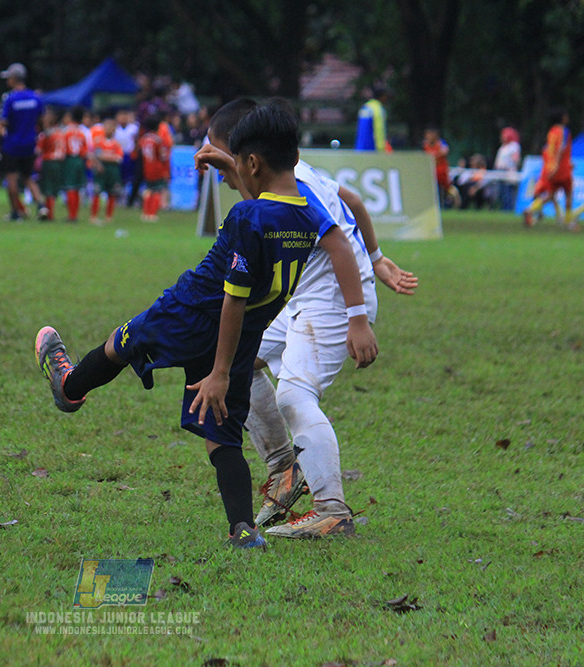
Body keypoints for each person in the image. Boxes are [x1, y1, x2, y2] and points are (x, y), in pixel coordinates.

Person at [34, 103, 377, 549]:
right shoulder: (309, 211)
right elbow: (307, 224)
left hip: (189, 311)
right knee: (223, 436)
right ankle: (243, 530)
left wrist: (215, 373)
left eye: (238, 166)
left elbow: (232, 297)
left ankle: (70, 385)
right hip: (241, 340)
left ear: (251, 163)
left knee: (122, 344)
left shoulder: (244, 218)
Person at [196, 98, 416, 538]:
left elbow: (335, 243)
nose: (225, 172)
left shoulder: (294, 183)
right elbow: (350, 199)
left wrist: (357, 318)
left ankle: (332, 510)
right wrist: (377, 256)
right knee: (242, 356)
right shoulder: (292, 171)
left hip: (335, 298)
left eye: (230, 159)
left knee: (294, 397)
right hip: (311, 296)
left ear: (250, 157)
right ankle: (284, 467)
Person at [0, 63, 47, 220]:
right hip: (29, 144)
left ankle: (16, 212)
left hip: (12, 144)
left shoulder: (10, 98)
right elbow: (41, 120)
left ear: (13, 79)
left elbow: (5, 121)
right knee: (28, 177)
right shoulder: (35, 98)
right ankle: (41, 206)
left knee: (11, 179)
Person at [524, 109, 573, 228]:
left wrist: (551, 167)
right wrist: (557, 165)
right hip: (561, 168)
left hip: (549, 168)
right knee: (569, 194)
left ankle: (530, 209)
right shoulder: (564, 131)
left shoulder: (551, 132)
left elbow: (548, 150)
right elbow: (561, 149)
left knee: (551, 195)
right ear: (562, 118)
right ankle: (567, 221)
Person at [90, 111, 124, 225]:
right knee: (96, 192)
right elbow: (94, 155)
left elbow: (119, 158)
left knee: (112, 193)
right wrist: (102, 160)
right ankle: (94, 216)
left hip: (113, 171)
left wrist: (104, 157)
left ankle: (108, 216)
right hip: (101, 170)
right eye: (107, 126)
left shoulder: (116, 143)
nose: (109, 129)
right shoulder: (98, 141)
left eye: (111, 127)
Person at [137, 114, 169, 221]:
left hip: (146, 168)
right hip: (157, 168)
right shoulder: (158, 140)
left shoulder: (144, 139)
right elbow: (162, 156)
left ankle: (145, 213)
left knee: (148, 190)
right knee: (157, 190)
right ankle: (152, 214)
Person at [35, 106, 65, 222]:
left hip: (49, 162)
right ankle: (51, 213)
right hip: (59, 163)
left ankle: (49, 213)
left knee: (48, 188)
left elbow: (38, 150)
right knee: (54, 188)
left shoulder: (46, 134)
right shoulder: (61, 132)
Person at [62, 107, 91, 222]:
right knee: (77, 187)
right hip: (79, 160)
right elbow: (85, 150)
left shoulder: (66, 131)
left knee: (70, 187)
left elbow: (62, 148)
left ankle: (71, 215)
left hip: (69, 160)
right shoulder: (82, 132)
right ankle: (75, 214)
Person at [355, 86, 391, 152]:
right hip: (372, 148)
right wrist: (381, 148)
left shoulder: (366, 107)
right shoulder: (378, 109)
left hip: (360, 148)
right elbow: (379, 129)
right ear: (382, 96)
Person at [494, 127, 521, 210]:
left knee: (508, 192)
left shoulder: (514, 146)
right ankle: (503, 208)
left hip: (508, 172)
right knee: (501, 192)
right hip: (500, 171)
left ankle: (508, 209)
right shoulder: (503, 147)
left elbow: (516, 159)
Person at [423, 127, 451, 205]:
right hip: (431, 171)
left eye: (429, 134)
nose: (427, 136)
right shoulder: (425, 144)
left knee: (444, 189)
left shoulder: (441, 143)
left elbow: (445, 151)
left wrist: (434, 156)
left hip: (441, 172)